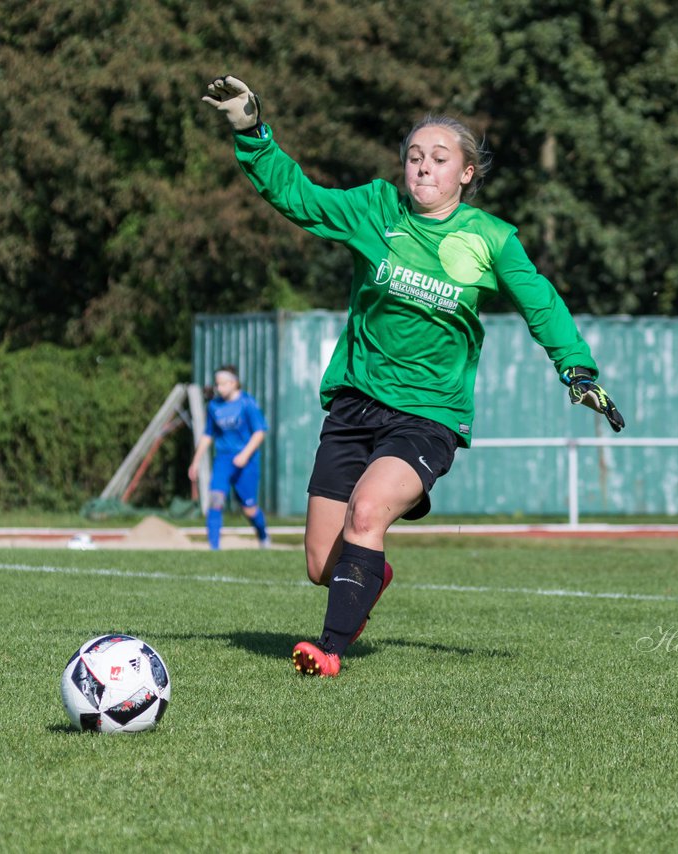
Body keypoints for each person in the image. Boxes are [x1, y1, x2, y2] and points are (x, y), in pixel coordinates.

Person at [203, 76, 624, 677]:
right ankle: (370, 572)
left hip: (428, 415)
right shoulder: (374, 209)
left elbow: (541, 303)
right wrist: (251, 132)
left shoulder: (491, 239)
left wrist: (576, 367)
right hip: (354, 405)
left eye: (439, 158)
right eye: (415, 156)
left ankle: (328, 651)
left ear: (467, 175)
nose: (423, 167)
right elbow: (296, 197)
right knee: (324, 565)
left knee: (367, 513)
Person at [187, 364, 272, 550]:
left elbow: (260, 432)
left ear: (234, 383)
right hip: (223, 460)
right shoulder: (214, 406)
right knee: (216, 499)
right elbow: (208, 435)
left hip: (246, 461)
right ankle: (214, 548)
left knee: (249, 508)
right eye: (217, 384)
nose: (218, 388)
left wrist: (244, 455)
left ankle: (263, 536)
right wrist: (195, 462)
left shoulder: (247, 403)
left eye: (222, 384)